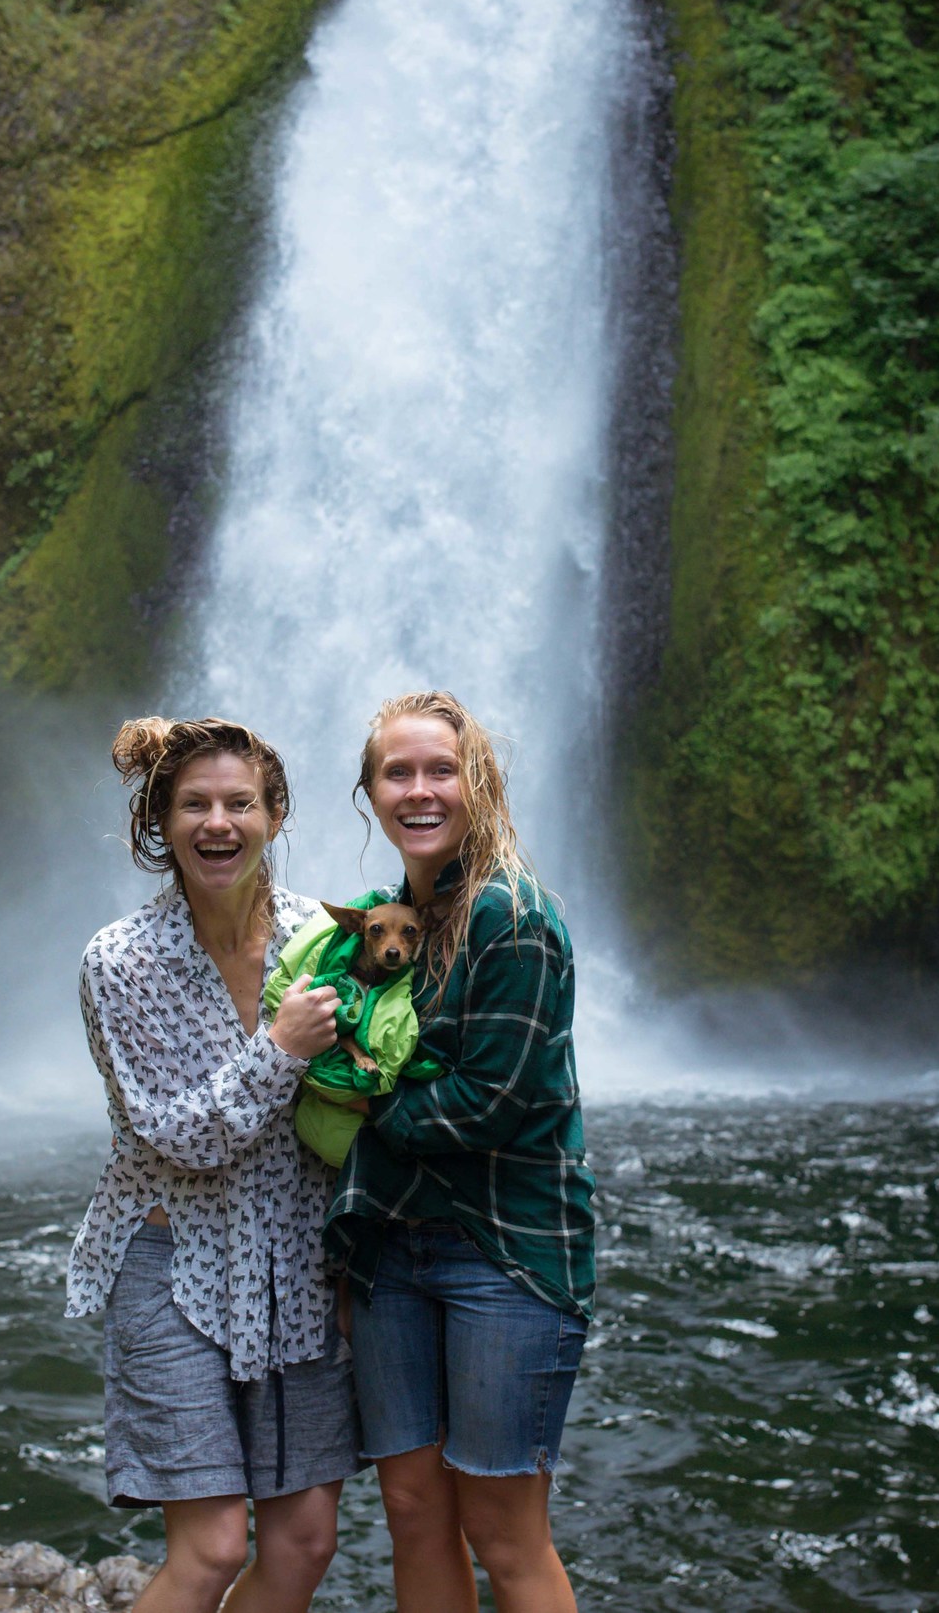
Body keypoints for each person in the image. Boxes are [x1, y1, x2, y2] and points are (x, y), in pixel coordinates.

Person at [65, 716, 354, 1613]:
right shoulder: (119, 960)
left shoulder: (328, 940)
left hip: (300, 1269)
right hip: (171, 1260)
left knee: (304, 1542)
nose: (217, 822)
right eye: (194, 803)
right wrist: (281, 1046)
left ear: (275, 815)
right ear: (160, 821)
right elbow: (174, 1134)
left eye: (239, 801)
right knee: (214, 1545)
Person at [325, 690, 596, 1613]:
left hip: (504, 1251)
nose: (420, 788)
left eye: (441, 768)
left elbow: (484, 1105)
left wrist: (358, 1099)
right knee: (411, 1506)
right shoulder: (394, 921)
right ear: (369, 792)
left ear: (478, 782)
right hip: (394, 1250)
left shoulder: (512, 916)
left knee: (503, 1524)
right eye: (397, 772)